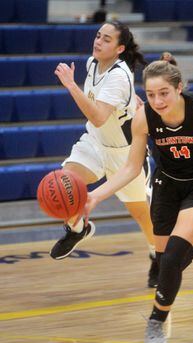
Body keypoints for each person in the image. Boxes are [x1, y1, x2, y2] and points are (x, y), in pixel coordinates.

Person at [83, 53, 193, 343]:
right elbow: (132, 168)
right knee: (165, 264)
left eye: (164, 93)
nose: (157, 101)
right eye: (151, 94)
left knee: (171, 259)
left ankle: (157, 320)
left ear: (179, 88)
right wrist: (95, 195)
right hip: (166, 185)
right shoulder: (144, 118)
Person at [50, 20, 158, 287]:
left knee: (142, 215)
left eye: (106, 39)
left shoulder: (119, 76)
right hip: (95, 142)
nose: (98, 41)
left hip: (125, 153)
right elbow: (100, 120)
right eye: (98, 36)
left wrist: (70, 85)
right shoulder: (92, 64)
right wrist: (133, 102)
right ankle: (78, 229)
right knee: (65, 183)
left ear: (120, 48)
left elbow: (98, 116)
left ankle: (158, 255)